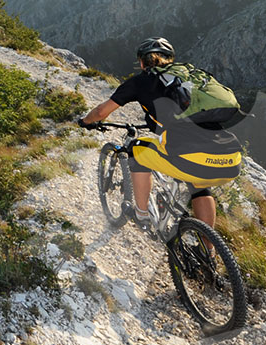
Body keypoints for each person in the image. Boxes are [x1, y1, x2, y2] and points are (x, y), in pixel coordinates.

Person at [77, 37, 242, 230]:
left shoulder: (140, 82)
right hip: (230, 159)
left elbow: (100, 113)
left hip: (191, 158)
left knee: (134, 150)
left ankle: (141, 215)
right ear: (170, 60)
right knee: (199, 185)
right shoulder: (191, 81)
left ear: (141, 62)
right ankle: (209, 252)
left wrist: (84, 122)